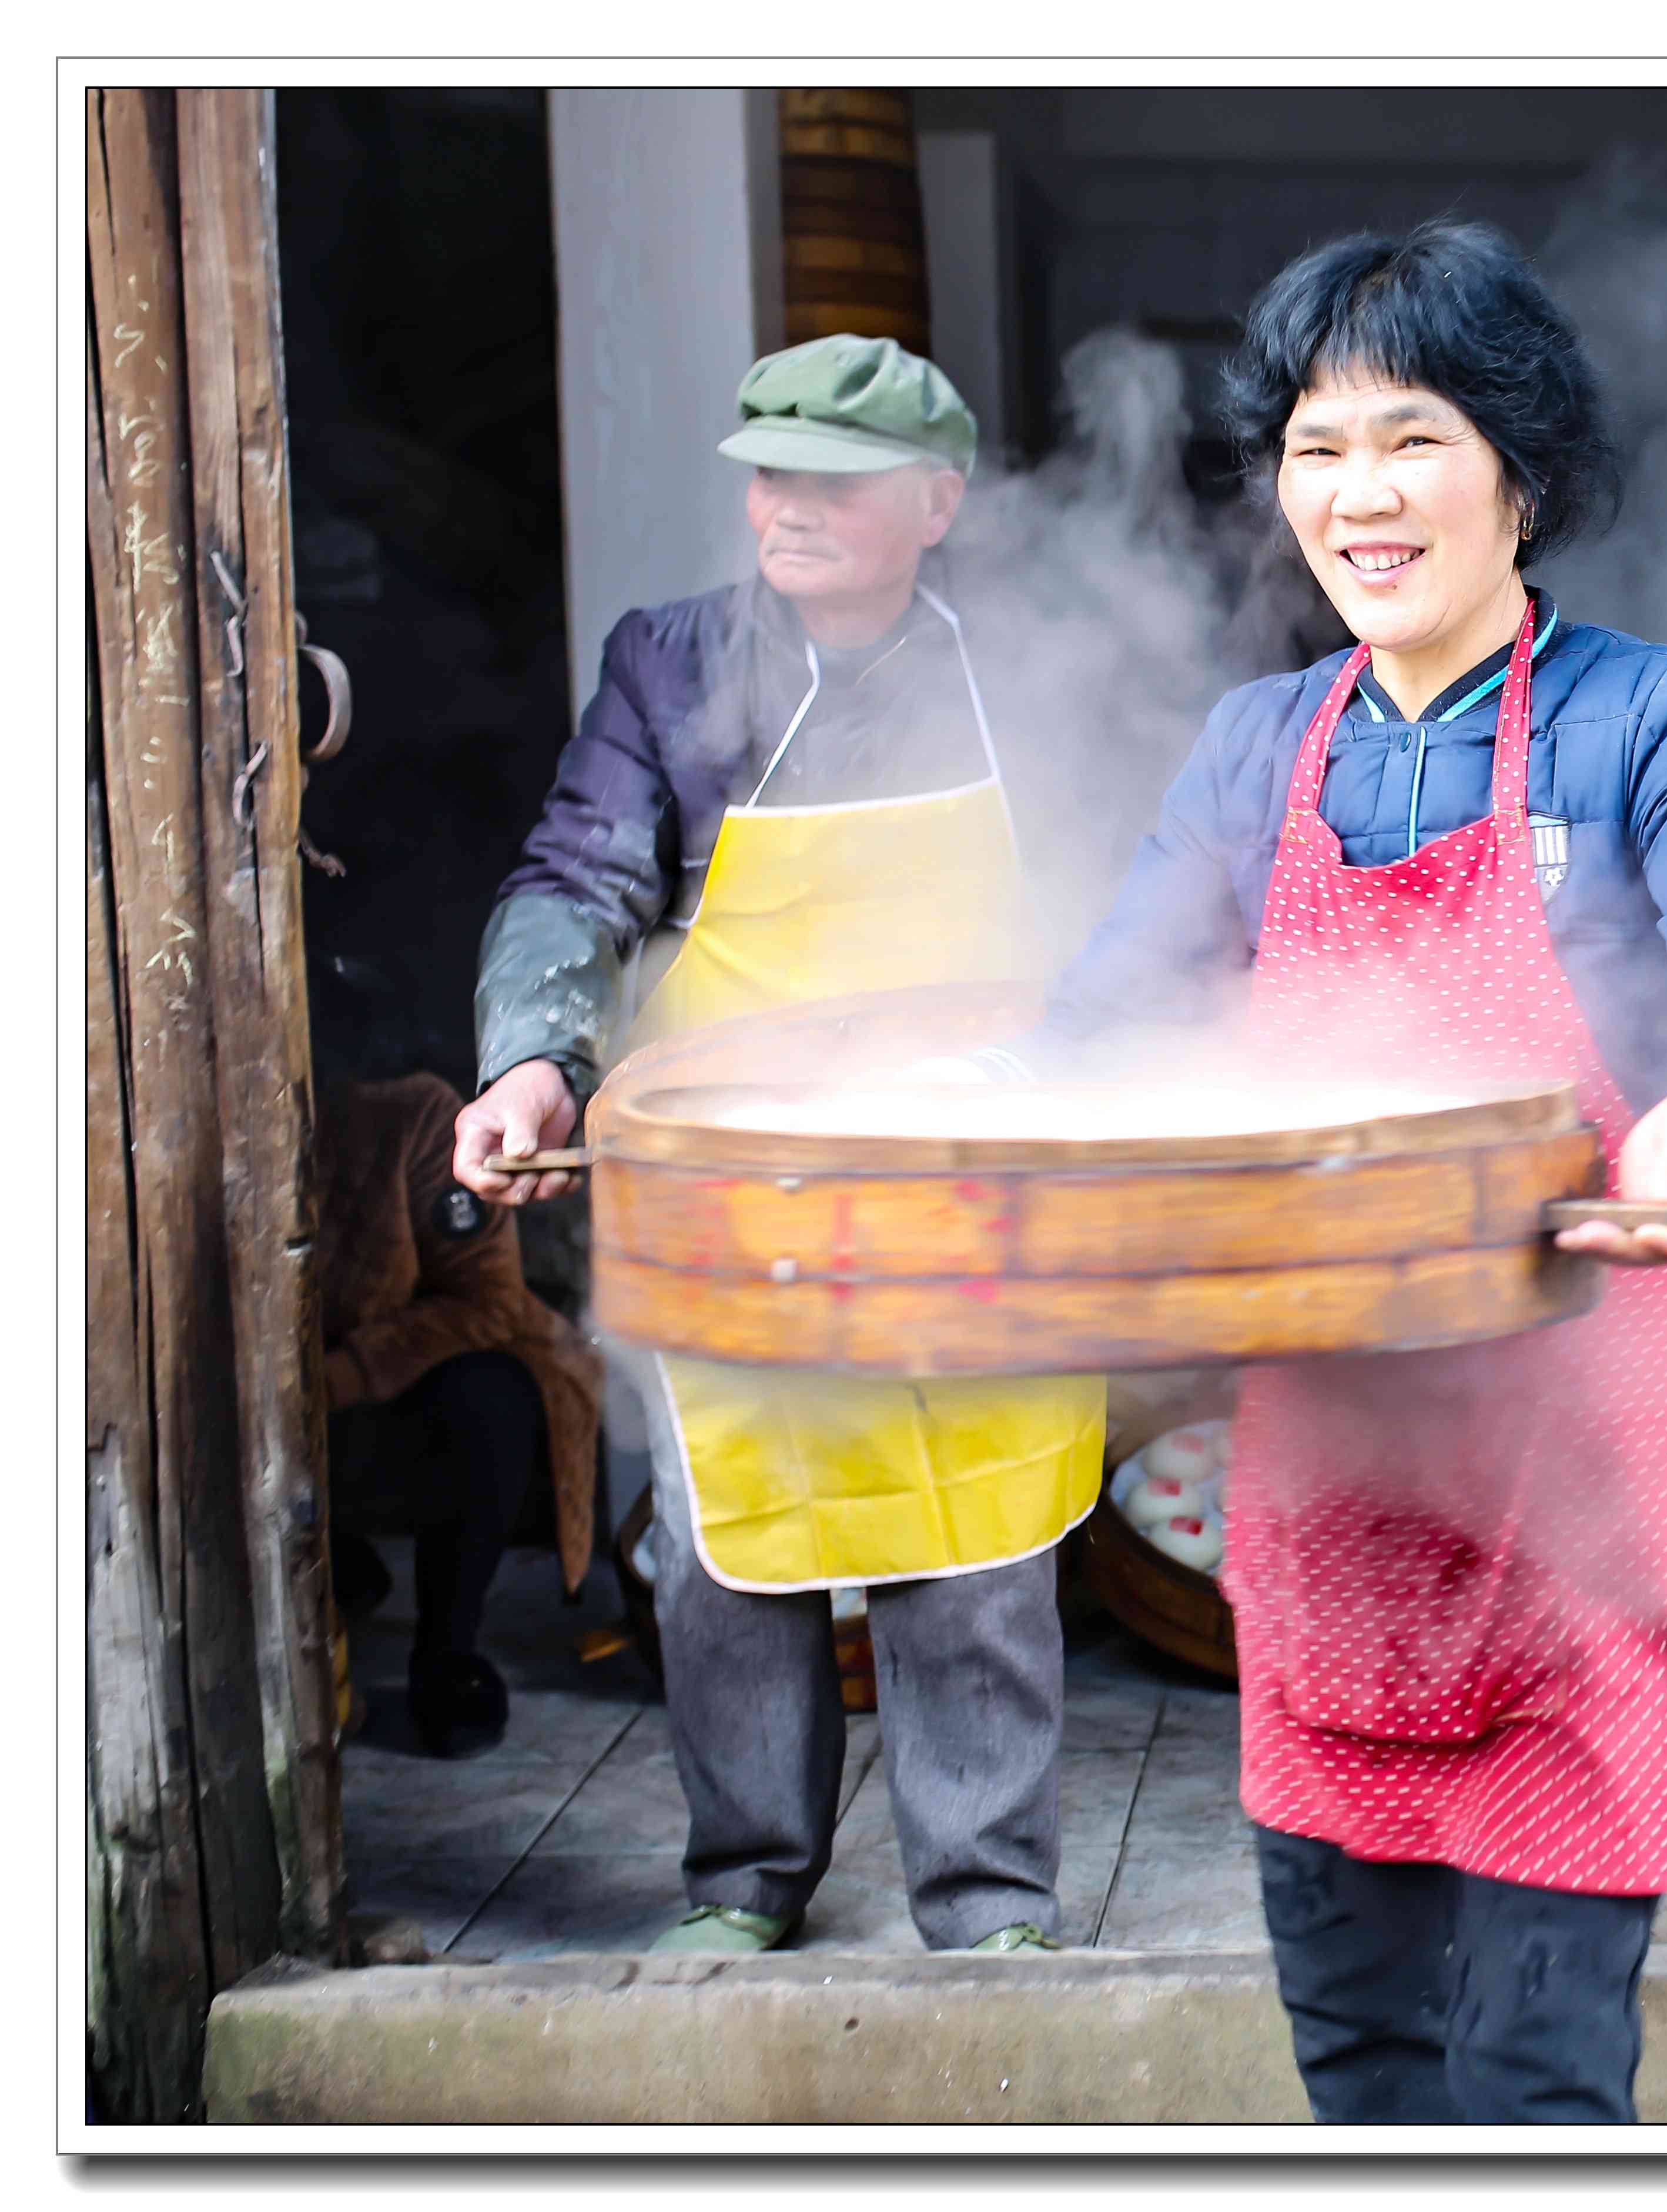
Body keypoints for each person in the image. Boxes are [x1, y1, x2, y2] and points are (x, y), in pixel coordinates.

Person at [992, 220, 1667, 2121]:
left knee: (1538, 2074)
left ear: (1521, 472)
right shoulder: (1258, 750)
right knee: (1364, 2046)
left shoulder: (1653, 719)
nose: (1357, 494)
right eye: (1315, 448)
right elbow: (1104, 1033)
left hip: (1591, 1480)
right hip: (1338, 1466)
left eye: (1409, 438)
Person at [453, 334, 1104, 1955]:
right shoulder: (671, 663)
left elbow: (1126, 881)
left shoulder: (1026, 664)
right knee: (726, 1545)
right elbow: (578, 874)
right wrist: (537, 1059)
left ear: (938, 500)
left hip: (971, 1158)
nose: (783, 504)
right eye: (767, 470)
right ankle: (743, 1879)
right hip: (731, 1174)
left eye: (832, 478)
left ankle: (991, 1898)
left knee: (979, 1540)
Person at [317, 1067, 602, 1756]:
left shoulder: (406, 1117)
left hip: (369, 1402)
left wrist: (334, 1378)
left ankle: (447, 1655)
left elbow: (487, 1300)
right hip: (236, 1430)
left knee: (491, 1396)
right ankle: (335, 1577)